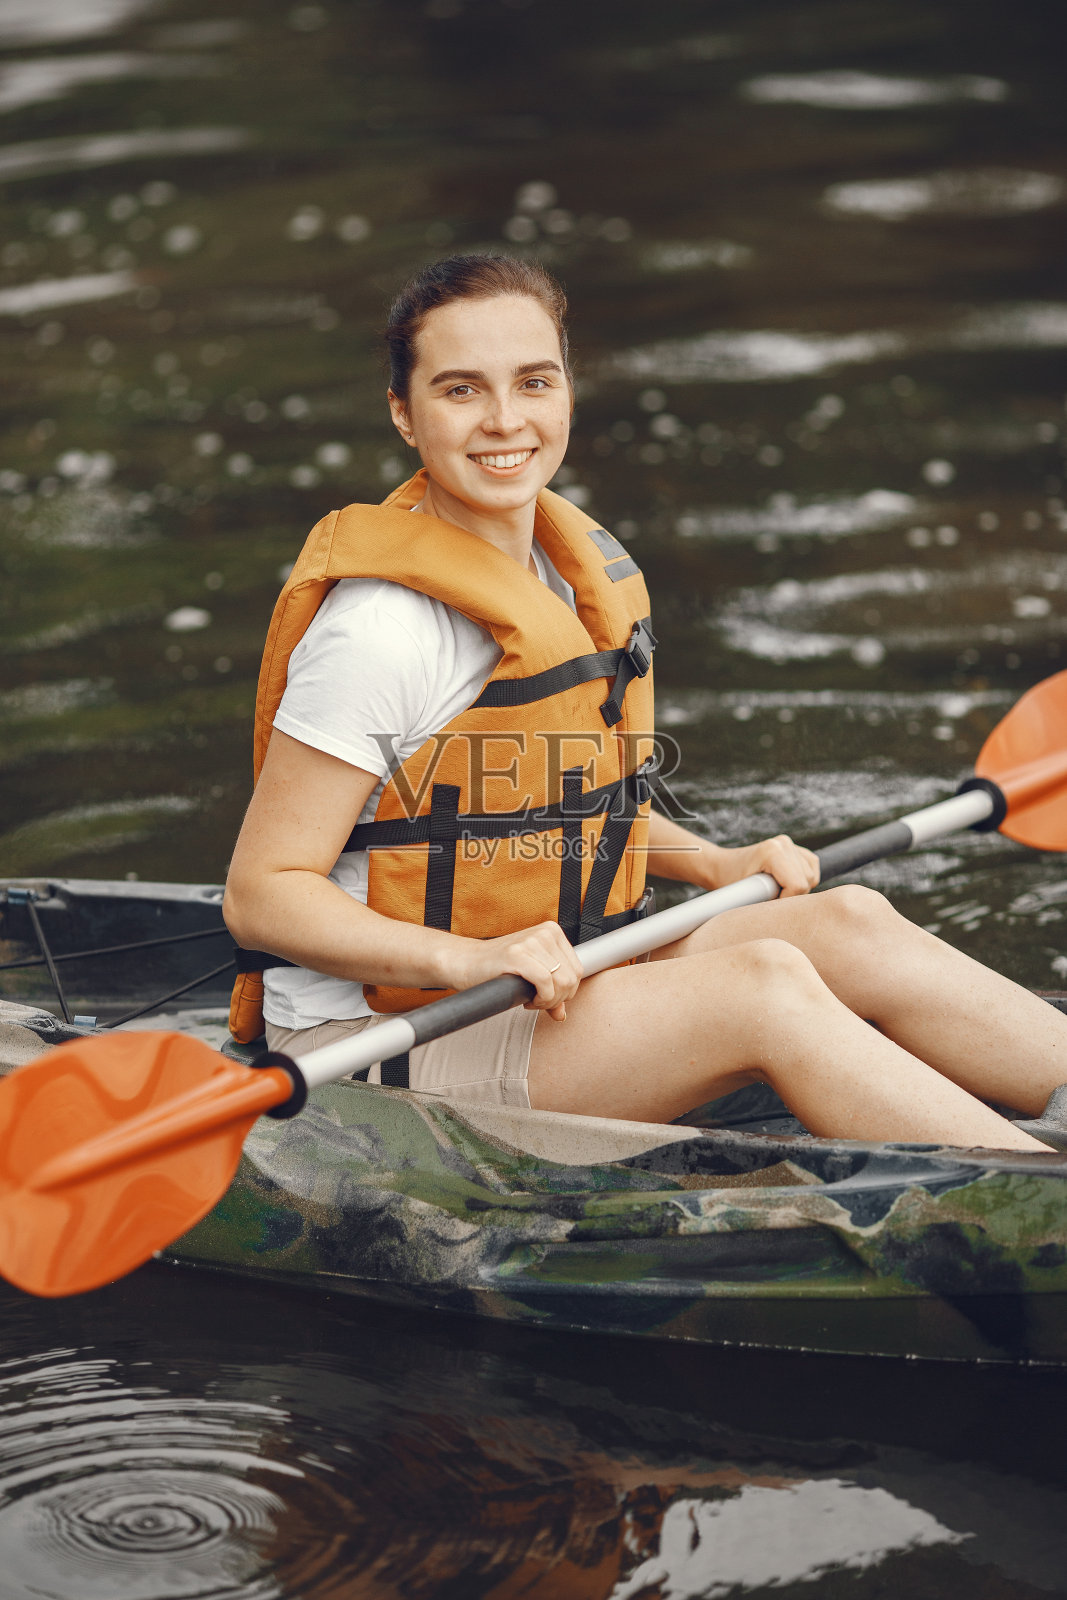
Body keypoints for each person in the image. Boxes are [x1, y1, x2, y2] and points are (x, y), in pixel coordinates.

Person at [224, 253, 1067, 1150]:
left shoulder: (564, 572)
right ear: (404, 412)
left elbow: (553, 804)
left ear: (567, 391)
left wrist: (714, 864)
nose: (505, 419)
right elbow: (262, 895)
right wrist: (468, 958)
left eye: (533, 382)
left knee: (848, 922)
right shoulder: (380, 633)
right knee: (761, 988)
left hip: (547, 972)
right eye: (461, 389)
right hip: (376, 1042)